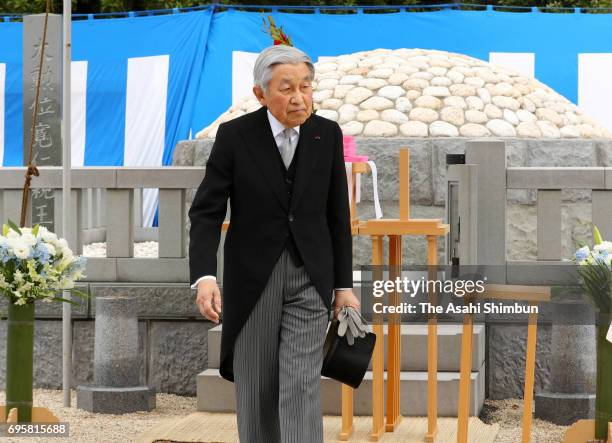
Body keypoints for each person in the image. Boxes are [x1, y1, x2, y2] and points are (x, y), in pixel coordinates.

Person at [189, 44, 360, 443]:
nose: (299, 97)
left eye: (305, 86)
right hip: (253, 279)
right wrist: (205, 276)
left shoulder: (327, 134)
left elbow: (337, 215)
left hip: (309, 276)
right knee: (257, 387)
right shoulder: (235, 137)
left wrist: (344, 286)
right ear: (261, 94)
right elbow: (207, 212)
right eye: (286, 88)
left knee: (301, 381)